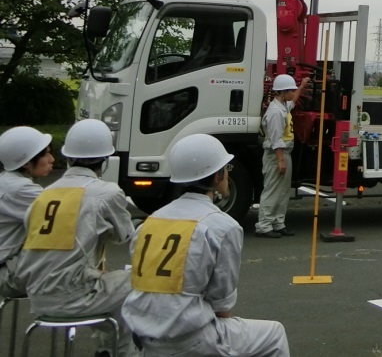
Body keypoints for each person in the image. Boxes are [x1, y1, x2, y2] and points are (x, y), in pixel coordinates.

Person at [123, 134, 290, 356]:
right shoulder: (222, 226)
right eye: (225, 168)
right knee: (274, 334)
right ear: (217, 176)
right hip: (189, 339)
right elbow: (222, 305)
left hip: (144, 338)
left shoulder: (149, 223)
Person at [20, 118, 139, 356]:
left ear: (68, 156)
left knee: (110, 283)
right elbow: (123, 236)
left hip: (37, 296)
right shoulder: (107, 192)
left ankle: (108, 346)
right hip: (73, 296)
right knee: (139, 281)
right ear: (105, 160)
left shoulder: (43, 194)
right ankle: (119, 352)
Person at [0, 126, 54, 298]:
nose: (52, 159)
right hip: (4, 273)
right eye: (46, 155)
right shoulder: (20, 189)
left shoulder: (8, 182)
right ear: (25, 163)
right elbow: (65, 207)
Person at [256, 74, 301, 238]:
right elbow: (276, 139)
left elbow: (293, 101)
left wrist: (302, 86)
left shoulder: (282, 106)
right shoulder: (276, 112)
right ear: (283, 92)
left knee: (282, 192)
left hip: (283, 154)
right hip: (276, 155)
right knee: (272, 190)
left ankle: (278, 223)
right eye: (292, 90)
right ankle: (264, 226)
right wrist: (281, 160)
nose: (293, 92)